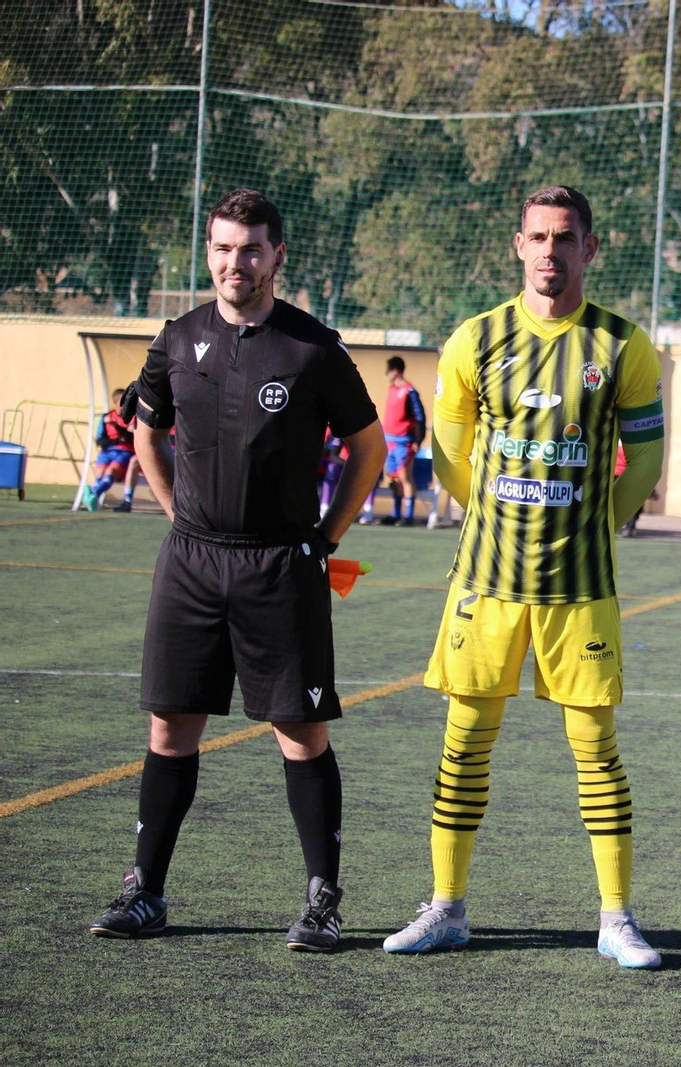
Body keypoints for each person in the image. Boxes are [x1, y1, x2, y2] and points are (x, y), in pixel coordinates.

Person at [87, 188, 386, 951]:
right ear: (209, 253)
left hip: (279, 565)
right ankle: (145, 892)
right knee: (169, 723)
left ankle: (322, 901)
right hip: (190, 561)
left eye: (250, 249)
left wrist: (326, 534)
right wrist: (175, 512)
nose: (234, 262)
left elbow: (369, 450)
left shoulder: (313, 348)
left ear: (277, 255)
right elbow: (145, 433)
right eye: (222, 248)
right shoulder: (175, 338)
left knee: (300, 729)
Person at [383, 186, 666, 968]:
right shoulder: (474, 339)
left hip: (581, 585)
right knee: (464, 740)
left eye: (566, 237)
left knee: (595, 746)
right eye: (538, 236)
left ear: (590, 248)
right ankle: (446, 907)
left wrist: (594, 524)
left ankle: (615, 918)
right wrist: (501, 519)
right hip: (486, 579)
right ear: (518, 245)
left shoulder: (623, 345)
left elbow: (644, 457)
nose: (551, 251)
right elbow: (449, 454)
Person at [378, 355, 427, 526]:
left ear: (396, 370)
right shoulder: (391, 389)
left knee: (405, 476)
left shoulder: (409, 391)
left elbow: (420, 416)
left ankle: (409, 515)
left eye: (389, 370)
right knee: (394, 479)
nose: (387, 373)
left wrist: (418, 440)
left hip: (404, 442)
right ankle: (396, 513)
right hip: (389, 441)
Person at [83, 389, 137, 512]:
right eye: (122, 403)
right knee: (100, 472)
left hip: (125, 452)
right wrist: (117, 440)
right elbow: (100, 440)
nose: (125, 406)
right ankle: (93, 499)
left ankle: (93, 493)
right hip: (107, 452)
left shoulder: (132, 418)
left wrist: (117, 427)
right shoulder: (106, 418)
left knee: (111, 470)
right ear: (115, 403)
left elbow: (130, 437)